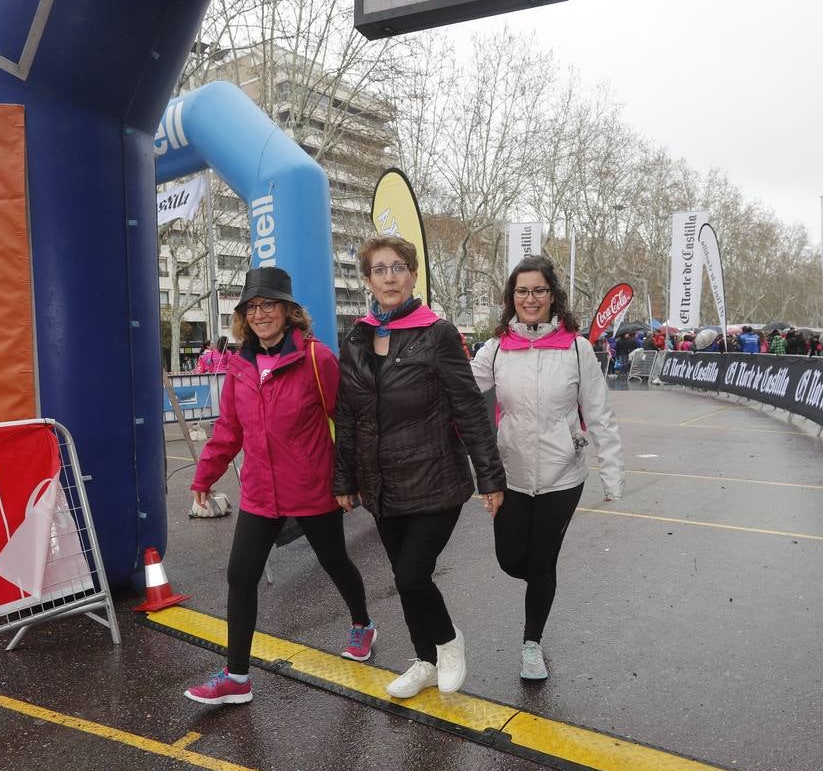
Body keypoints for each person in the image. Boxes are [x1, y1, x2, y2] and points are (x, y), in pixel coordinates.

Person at [184, 266, 374, 706]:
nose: (260, 313)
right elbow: (229, 429)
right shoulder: (239, 366)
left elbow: (345, 422)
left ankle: (363, 623)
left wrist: (350, 481)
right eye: (252, 306)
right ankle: (236, 676)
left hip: (311, 487)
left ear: (288, 312)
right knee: (240, 575)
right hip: (260, 493)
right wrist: (205, 475)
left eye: (268, 305)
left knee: (335, 561)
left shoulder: (316, 358)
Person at [334, 235, 506, 700]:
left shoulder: (438, 333)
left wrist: (490, 476)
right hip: (381, 486)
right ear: (367, 280)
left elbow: (469, 407)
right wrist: (344, 478)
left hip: (435, 480)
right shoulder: (357, 337)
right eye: (378, 269)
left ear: (412, 275)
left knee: (412, 575)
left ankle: (449, 642)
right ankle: (425, 660)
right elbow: (347, 414)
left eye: (397, 268)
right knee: (404, 579)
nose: (389, 277)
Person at [472, 256, 623, 679]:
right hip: (512, 474)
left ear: (552, 295)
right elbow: (462, 389)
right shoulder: (497, 347)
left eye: (539, 290)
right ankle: (543, 575)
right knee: (509, 559)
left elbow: (599, 412)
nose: (531, 298)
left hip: (563, 475)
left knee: (540, 562)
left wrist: (612, 472)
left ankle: (531, 643)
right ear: (511, 297)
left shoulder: (577, 348)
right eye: (522, 291)